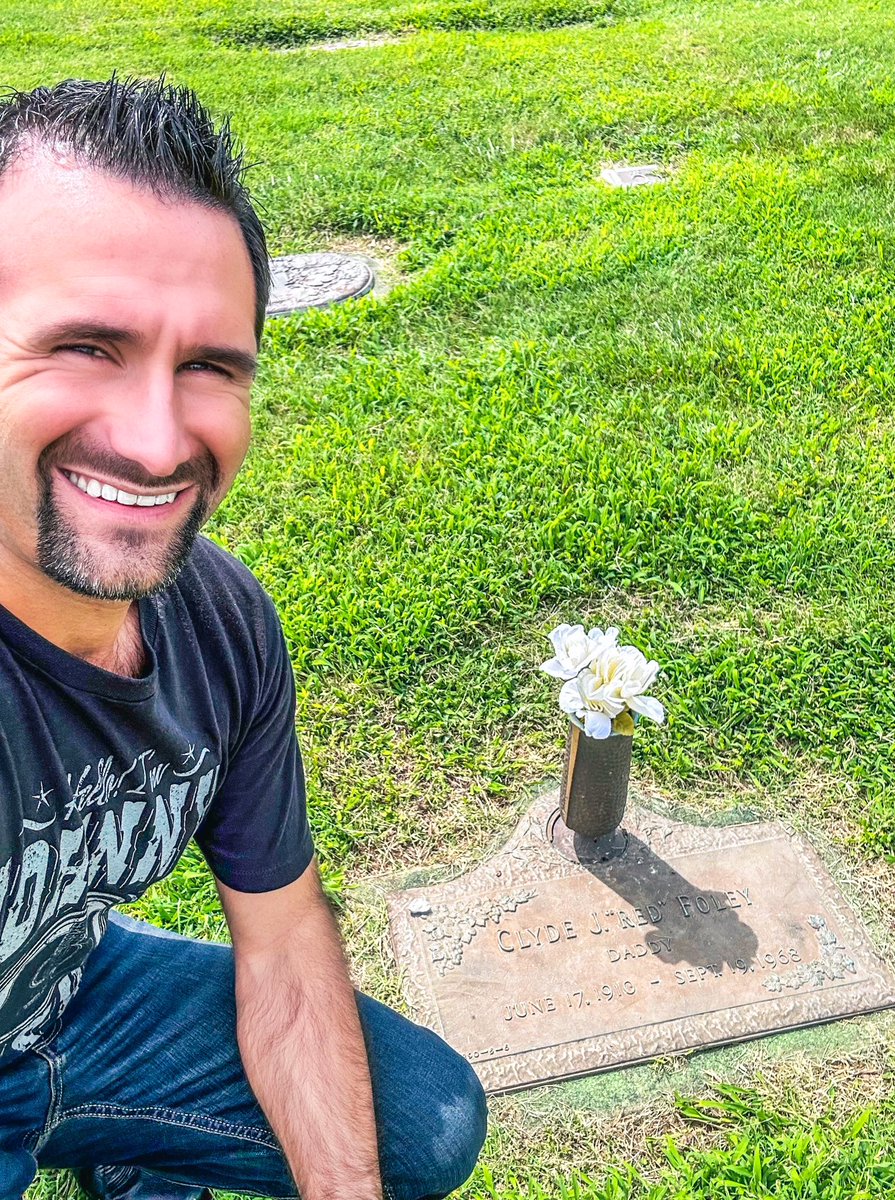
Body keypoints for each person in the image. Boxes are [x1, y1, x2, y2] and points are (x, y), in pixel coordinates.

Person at [0, 76, 487, 1200]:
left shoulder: (217, 615)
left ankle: (121, 1137)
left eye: (210, 365)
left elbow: (281, 939)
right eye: (84, 345)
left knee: (421, 1123)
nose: (156, 438)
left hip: (62, 988)